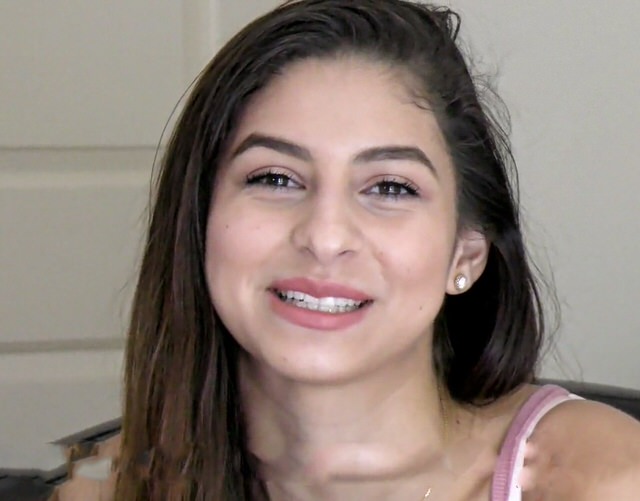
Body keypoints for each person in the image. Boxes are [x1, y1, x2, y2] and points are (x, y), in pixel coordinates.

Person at [58, 1, 640, 500]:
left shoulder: (606, 481)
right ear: (199, 220)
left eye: (390, 188)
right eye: (275, 178)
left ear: (465, 255)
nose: (326, 236)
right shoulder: (107, 489)